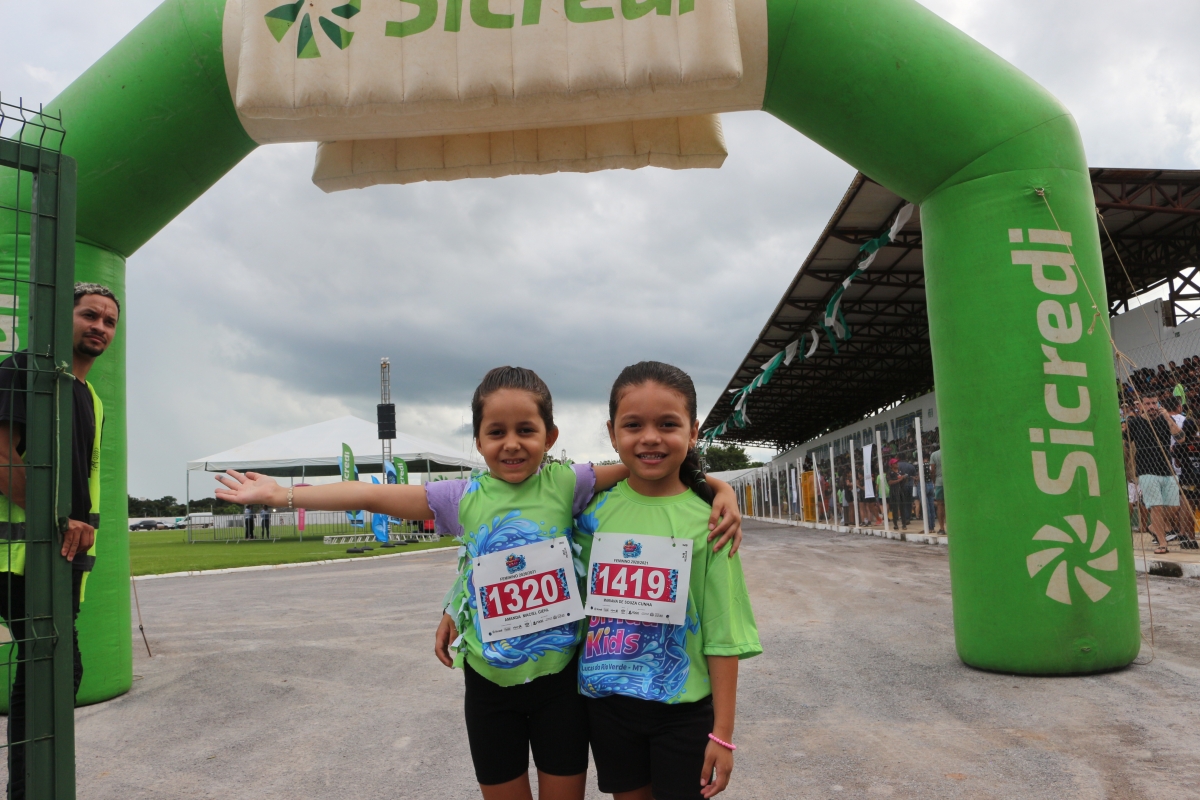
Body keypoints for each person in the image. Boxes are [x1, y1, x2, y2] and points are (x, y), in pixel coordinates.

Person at [215, 366, 744, 800]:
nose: (511, 445)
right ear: (478, 440)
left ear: (550, 437)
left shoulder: (568, 483)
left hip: (561, 685)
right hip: (489, 688)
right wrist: (283, 495)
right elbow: (370, 495)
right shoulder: (460, 497)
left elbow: (647, 468)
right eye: (496, 433)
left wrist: (719, 488)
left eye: (526, 431)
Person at [575, 362, 761, 800]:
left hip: (683, 713)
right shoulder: (588, 514)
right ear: (612, 432)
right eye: (633, 425)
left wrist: (723, 734)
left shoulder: (712, 522)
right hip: (607, 707)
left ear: (693, 431)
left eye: (667, 424)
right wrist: (456, 606)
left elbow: (722, 634)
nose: (650, 437)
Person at [0, 282, 119, 798]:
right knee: (53, 676)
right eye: (89, 315)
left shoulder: (89, 395)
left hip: (57, 559)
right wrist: (56, 519)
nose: (99, 327)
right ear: (59, 316)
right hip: (17, 558)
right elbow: (1, 455)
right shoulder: (24, 368)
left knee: (45, 678)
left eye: (109, 321)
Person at [1123, 395, 1182, 554]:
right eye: (1147, 403)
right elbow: (1125, 443)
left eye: (1154, 403)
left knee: (1174, 507)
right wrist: (1128, 466)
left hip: (1167, 469)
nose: (1151, 406)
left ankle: (1153, 526)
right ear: (1142, 406)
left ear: (1158, 404)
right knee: (1156, 507)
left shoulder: (1165, 419)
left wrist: (1168, 418)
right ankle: (1163, 543)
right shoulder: (1135, 423)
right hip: (1146, 471)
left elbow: (1181, 438)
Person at [1170, 419, 1200, 549]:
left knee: (1188, 509)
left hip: (1188, 479)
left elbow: (1177, 464)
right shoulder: (1198, 441)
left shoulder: (1180, 444)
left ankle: (1191, 539)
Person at [887, 458, 912, 530]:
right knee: (895, 508)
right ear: (891, 465)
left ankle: (904, 524)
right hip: (894, 491)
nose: (897, 464)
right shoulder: (890, 472)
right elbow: (890, 482)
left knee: (902, 508)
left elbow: (904, 480)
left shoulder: (900, 471)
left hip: (902, 491)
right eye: (895, 463)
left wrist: (904, 478)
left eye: (897, 463)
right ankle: (895, 524)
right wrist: (899, 480)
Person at [928, 444, 946, 535]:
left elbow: (932, 470)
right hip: (950, 482)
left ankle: (942, 528)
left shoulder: (934, 455)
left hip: (939, 482)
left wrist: (934, 481)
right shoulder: (948, 451)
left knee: (940, 505)